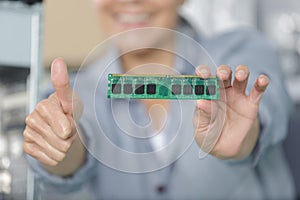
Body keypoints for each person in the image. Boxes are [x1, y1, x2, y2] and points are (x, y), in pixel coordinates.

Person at [23, 0, 295, 199]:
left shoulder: (241, 51)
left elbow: (267, 106)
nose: (131, 1)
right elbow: (74, 149)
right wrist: (61, 147)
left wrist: (247, 136)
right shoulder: (77, 90)